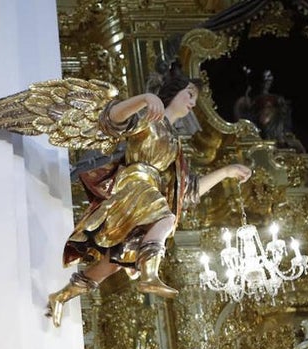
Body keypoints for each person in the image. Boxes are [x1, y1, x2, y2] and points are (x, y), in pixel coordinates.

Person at [46, 75, 253, 326]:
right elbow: (113, 118)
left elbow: (189, 191)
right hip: (134, 183)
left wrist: (226, 172)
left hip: (147, 190)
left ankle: (60, 297)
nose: (192, 103)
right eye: (189, 94)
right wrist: (144, 99)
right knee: (166, 218)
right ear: (173, 93)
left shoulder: (175, 145)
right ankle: (149, 275)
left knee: (111, 263)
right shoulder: (150, 117)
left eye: (195, 99)